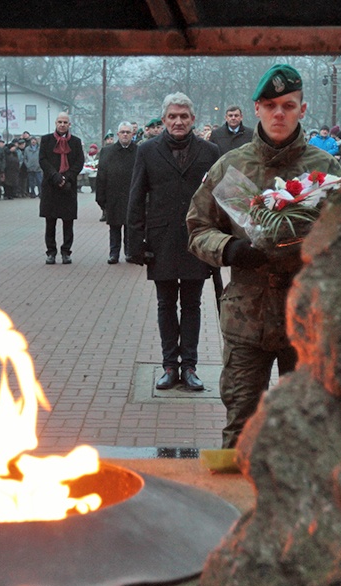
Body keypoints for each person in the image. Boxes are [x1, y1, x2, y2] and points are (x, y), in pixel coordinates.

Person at [187, 64, 341, 448]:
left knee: (308, 432)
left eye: (288, 106)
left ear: (302, 110)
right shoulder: (231, 166)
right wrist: (230, 249)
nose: (279, 114)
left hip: (306, 317)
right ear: (256, 108)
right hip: (247, 319)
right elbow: (197, 228)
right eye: (270, 105)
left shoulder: (326, 170)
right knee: (241, 428)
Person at [127, 92, 220, 392]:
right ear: (164, 119)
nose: (178, 121)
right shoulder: (147, 150)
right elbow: (137, 196)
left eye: (183, 116)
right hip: (161, 239)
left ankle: (189, 366)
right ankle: (169, 366)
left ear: (193, 119)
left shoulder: (210, 151)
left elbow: (220, 197)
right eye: (172, 116)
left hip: (196, 240)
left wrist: (220, 241)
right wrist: (135, 243)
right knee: (166, 304)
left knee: (192, 305)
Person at [39, 112, 83, 264]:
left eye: (65, 122)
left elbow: (79, 162)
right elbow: (43, 160)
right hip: (51, 186)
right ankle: (51, 252)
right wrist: (55, 176)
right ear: (55, 123)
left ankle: (66, 252)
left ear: (69, 124)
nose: (62, 125)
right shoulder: (46, 140)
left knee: (68, 221)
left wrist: (67, 177)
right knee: (50, 221)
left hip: (68, 187)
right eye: (60, 122)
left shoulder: (76, 142)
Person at [95, 122, 137, 264]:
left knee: (130, 227)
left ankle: (130, 253)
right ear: (118, 134)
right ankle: (114, 253)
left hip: (132, 196)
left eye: (128, 132)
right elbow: (101, 175)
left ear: (132, 134)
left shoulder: (139, 151)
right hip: (113, 196)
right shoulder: (107, 152)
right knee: (114, 227)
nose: (125, 134)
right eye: (122, 132)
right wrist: (100, 197)